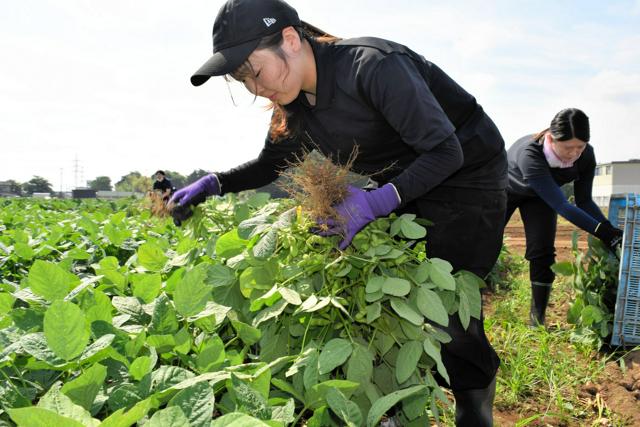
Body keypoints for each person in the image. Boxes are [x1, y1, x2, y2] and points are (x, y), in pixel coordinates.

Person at [172, 0, 508, 424]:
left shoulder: (373, 66)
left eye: (254, 72)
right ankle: (392, 407)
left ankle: (473, 408)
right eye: (242, 82)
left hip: (467, 175)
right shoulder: (295, 105)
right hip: (403, 181)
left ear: (290, 40)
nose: (255, 89)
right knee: (384, 290)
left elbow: (445, 150)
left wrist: (375, 202)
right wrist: (213, 183)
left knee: (450, 307)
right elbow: (268, 165)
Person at [505, 108, 623, 327]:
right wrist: (601, 232)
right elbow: (561, 205)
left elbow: (584, 201)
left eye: (580, 146)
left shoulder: (586, 156)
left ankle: (536, 320)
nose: (574, 153)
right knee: (485, 243)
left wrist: (608, 228)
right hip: (506, 189)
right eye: (568, 147)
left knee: (542, 251)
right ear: (552, 138)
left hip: (543, 197)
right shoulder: (531, 153)